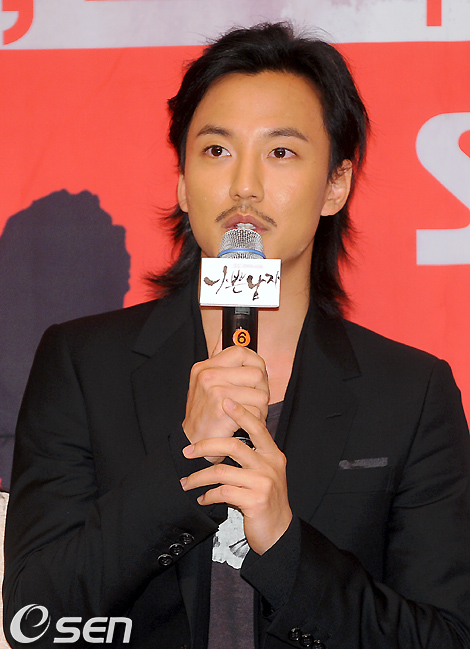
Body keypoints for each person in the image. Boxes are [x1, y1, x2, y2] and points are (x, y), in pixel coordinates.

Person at [3, 22, 470, 649]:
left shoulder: (411, 393)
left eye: (281, 152)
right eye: (217, 150)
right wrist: (184, 461)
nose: (244, 184)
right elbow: (33, 617)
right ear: (182, 180)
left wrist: (284, 545)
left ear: (335, 185)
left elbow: (444, 635)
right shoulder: (82, 365)